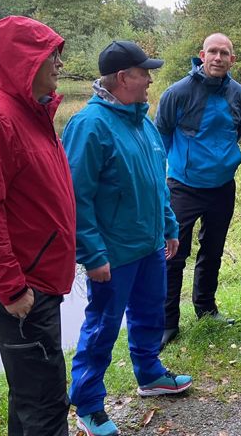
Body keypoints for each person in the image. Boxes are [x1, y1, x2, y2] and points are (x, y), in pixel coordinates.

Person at [63, 41, 192, 436]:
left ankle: (150, 375)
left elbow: (157, 183)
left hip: (150, 245)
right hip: (113, 253)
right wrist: (92, 254)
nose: (150, 79)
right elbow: (76, 197)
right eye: (144, 72)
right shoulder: (89, 125)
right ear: (122, 78)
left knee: (150, 313)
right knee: (102, 327)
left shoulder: (143, 122)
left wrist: (168, 226)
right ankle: (88, 404)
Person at [0, 16, 75, 435]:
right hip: (19, 283)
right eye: (50, 55)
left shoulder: (32, 112)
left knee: (31, 395)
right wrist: (11, 288)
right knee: (46, 401)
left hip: (37, 276)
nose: (59, 63)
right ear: (24, 60)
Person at [155, 33, 241, 345]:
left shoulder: (239, 94)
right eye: (213, 52)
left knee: (213, 250)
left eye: (224, 53)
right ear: (202, 55)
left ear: (232, 59)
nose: (218, 58)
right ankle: (167, 322)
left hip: (222, 187)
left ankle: (206, 309)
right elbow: (161, 136)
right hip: (183, 187)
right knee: (173, 255)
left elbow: (235, 132)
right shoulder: (177, 92)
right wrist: (163, 177)